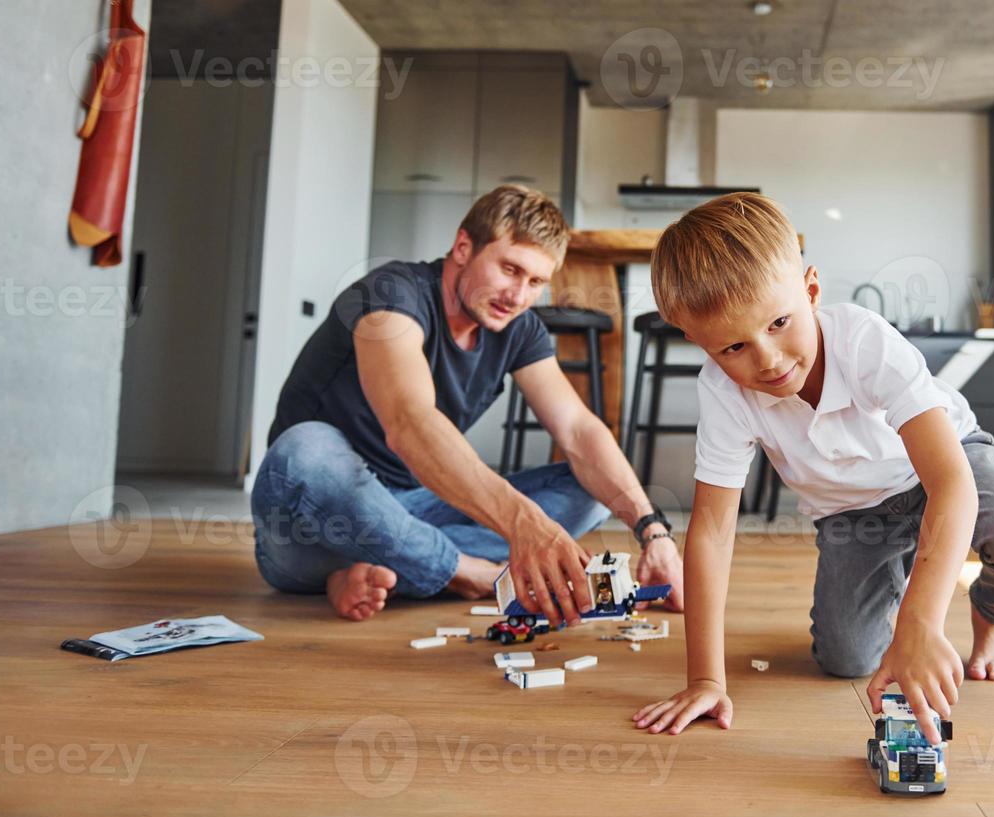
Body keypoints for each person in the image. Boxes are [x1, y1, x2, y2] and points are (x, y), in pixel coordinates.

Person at [632, 193, 994, 742]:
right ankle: (906, 572)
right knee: (845, 658)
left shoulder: (863, 339)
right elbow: (713, 533)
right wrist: (705, 678)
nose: (766, 359)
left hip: (945, 463)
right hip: (853, 511)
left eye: (780, 322)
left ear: (811, 291)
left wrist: (921, 624)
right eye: (733, 347)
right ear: (698, 344)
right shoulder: (722, 393)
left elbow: (951, 484)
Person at [249, 184, 683, 623]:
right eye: (510, 269)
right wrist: (523, 524)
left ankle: (381, 572)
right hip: (315, 524)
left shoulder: (518, 327)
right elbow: (409, 423)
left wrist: (653, 531)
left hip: (412, 511)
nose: (518, 296)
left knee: (591, 491)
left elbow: (577, 430)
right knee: (304, 449)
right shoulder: (389, 295)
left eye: (536, 282)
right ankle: (471, 573)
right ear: (462, 247)